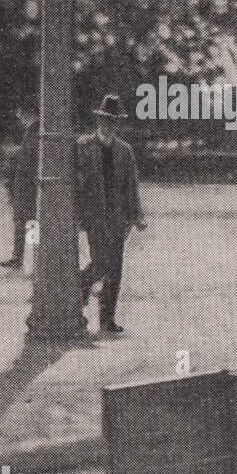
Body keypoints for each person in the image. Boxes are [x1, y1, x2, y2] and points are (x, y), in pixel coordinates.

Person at [75, 94, 146, 334]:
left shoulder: (124, 151)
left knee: (115, 268)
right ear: (98, 122)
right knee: (101, 262)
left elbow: (131, 185)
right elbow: (75, 184)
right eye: (105, 120)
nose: (109, 125)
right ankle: (79, 292)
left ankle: (107, 320)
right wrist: (76, 215)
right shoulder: (83, 147)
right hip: (93, 216)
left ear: (118, 124)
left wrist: (136, 215)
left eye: (114, 121)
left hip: (117, 218)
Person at [1, 104, 39, 269]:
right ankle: (20, 257)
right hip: (23, 186)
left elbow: (32, 158)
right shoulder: (31, 130)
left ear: (28, 113)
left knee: (31, 223)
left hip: (29, 187)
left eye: (20, 114)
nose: (20, 119)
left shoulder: (36, 130)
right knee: (21, 222)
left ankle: (33, 260)